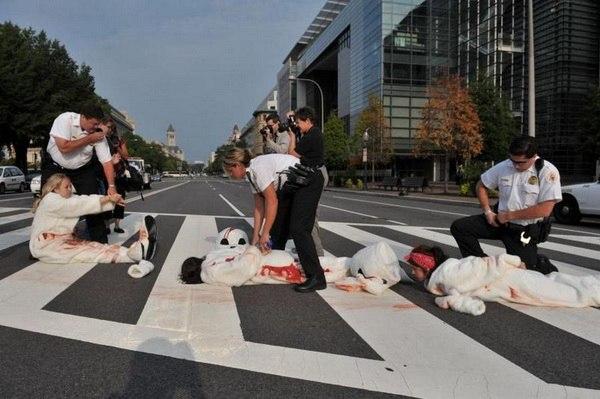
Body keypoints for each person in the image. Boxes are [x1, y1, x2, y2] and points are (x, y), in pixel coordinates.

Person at [450, 136, 562, 271]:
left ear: (533, 157)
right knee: (460, 227)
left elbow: (545, 209)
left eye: (521, 162)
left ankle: (540, 264)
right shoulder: (505, 166)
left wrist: (510, 216)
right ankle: (482, 267)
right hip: (499, 222)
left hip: (523, 231)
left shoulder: (547, 172)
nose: (515, 165)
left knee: (525, 271)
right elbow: (481, 185)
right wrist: (488, 212)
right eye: (513, 160)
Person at [222, 148, 326, 292]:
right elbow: (259, 208)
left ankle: (317, 277)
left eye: (230, 171)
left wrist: (264, 234)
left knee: (299, 228)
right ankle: (277, 265)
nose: (230, 175)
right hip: (294, 185)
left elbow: (272, 201)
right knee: (277, 231)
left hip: (309, 180)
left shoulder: (258, 168)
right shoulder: (251, 174)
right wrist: (255, 239)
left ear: (237, 165)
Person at [406, 245, 600, 316]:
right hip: (509, 282)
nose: (412, 272)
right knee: (555, 285)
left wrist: (512, 261)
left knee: (569, 295)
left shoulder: (446, 275)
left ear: (426, 266)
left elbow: (482, 267)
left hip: (511, 281)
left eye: (414, 268)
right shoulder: (443, 275)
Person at [29, 173, 157, 264]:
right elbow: (77, 205)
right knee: (93, 253)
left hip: (61, 242)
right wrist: (108, 199)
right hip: (47, 246)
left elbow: (84, 199)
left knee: (98, 247)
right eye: (66, 187)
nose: (70, 189)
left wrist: (111, 201)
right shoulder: (50, 200)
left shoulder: (61, 198)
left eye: (70, 186)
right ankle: (136, 255)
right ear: (55, 189)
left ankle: (136, 251)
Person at [42, 103, 117, 244]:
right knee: (46, 203)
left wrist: (111, 186)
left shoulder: (98, 134)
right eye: (93, 124)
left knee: (93, 203)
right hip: (55, 166)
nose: (95, 128)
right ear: (83, 117)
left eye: (98, 124)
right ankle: (42, 242)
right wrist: (89, 139)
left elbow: (106, 162)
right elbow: (63, 147)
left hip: (82, 170)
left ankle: (100, 242)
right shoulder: (65, 120)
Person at [287, 107, 327, 257]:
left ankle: (317, 253)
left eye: (298, 122)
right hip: (314, 172)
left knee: (310, 216)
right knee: (308, 215)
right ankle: (308, 248)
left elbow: (292, 154)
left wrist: (291, 136)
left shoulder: (312, 136)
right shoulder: (312, 133)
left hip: (315, 174)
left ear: (308, 120)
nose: (297, 125)